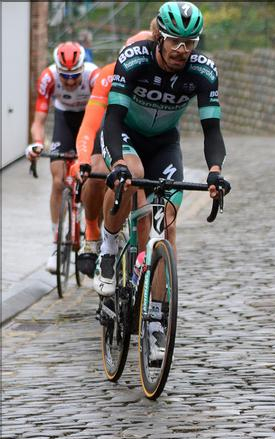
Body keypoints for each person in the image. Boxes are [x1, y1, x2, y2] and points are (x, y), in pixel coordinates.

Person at [96, 0, 230, 361]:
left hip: (164, 144)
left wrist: (215, 171)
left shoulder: (202, 71)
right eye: (175, 41)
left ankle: (155, 323)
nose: (183, 50)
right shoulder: (135, 58)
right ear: (159, 36)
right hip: (124, 135)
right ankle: (108, 247)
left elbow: (211, 129)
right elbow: (111, 119)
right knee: (132, 177)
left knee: (167, 226)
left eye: (191, 42)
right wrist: (119, 164)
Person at [72, 28, 156, 276]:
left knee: (143, 200)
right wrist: (84, 160)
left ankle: (140, 274)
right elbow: (90, 124)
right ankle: (92, 232)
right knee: (97, 172)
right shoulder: (109, 74)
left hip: (143, 140)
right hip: (112, 132)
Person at [26, 42, 99, 274]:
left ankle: (92, 231)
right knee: (58, 181)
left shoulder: (93, 76)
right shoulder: (48, 77)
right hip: (65, 120)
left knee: (94, 178)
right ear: (57, 70)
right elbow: (38, 121)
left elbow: (106, 116)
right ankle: (57, 245)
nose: (69, 81)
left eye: (74, 75)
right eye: (64, 76)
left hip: (91, 119)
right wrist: (37, 143)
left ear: (82, 67)